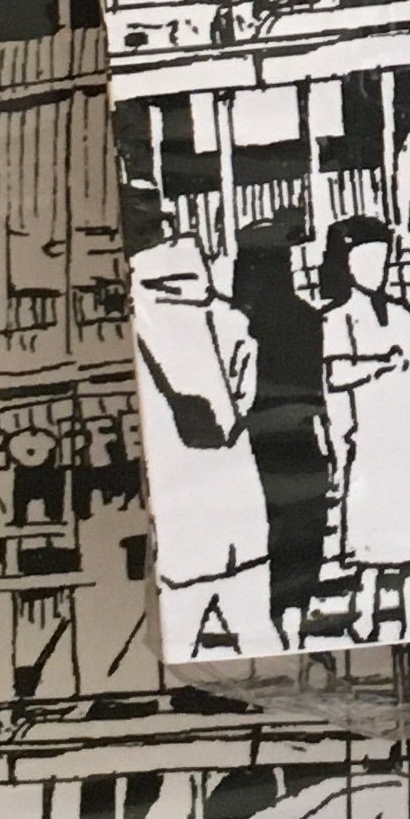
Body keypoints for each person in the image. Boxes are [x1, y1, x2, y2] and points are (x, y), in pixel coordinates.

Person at [130, 244, 273, 662]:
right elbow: (245, 395)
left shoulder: (145, 327)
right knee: (250, 612)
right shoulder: (231, 321)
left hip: (182, 494)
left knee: (185, 612)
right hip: (233, 486)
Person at [317, 218, 410, 640]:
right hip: (371, 440)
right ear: (346, 265)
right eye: (365, 261)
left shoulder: (403, 314)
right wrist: (382, 365)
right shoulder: (337, 317)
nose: (376, 269)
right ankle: (365, 613)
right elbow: (336, 373)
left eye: (382, 260)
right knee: (372, 543)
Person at [230, 225, 330, 647]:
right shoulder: (307, 317)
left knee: (269, 525)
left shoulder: (242, 322)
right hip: (304, 432)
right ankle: (298, 607)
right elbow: (319, 387)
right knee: (304, 522)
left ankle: (274, 611)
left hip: (258, 439)